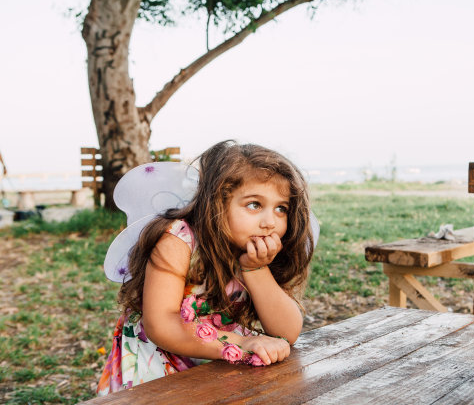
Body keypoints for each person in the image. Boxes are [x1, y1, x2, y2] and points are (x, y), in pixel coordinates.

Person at [96, 140, 316, 395]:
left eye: (281, 209)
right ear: (218, 202)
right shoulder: (179, 240)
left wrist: (256, 270)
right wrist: (243, 342)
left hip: (214, 363)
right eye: (254, 204)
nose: (270, 222)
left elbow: (286, 332)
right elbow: (161, 324)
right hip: (157, 365)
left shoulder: (251, 251)